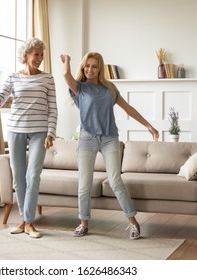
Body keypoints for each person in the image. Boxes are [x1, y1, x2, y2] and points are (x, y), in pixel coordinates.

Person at [60, 52, 159, 239]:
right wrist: (67, 61)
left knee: (115, 181)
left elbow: (128, 108)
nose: (90, 69)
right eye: (87, 66)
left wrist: (148, 125)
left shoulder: (109, 89)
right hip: (87, 139)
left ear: (100, 69)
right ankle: (84, 224)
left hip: (109, 139)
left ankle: (133, 223)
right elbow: (66, 75)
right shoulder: (79, 88)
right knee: (84, 185)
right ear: (83, 67)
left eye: (94, 66)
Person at [0, 38, 58, 238]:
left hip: (40, 131)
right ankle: (24, 220)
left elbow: (53, 109)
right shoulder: (13, 77)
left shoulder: (48, 78)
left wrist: (51, 133)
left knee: (33, 176)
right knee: (19, 178)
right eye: (36, 54)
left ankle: (28, 221)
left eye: (41, 54)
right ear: (26, 55)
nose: (39, 58)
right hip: (15, 130)